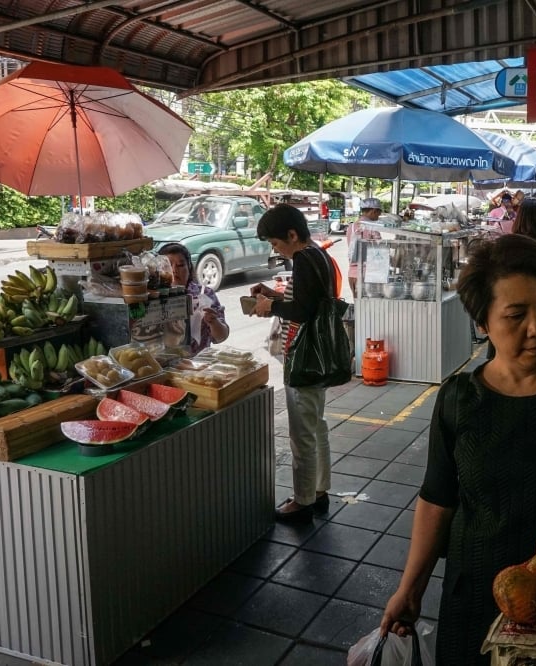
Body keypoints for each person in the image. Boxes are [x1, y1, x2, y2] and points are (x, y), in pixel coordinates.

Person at [380, 234, 536, 664]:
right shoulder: (460, 399)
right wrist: (410, 588)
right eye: (515, 315)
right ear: (482, 323)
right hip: (478, 592)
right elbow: (437, 499)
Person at [248, 204, 337, 523]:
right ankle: (319, 491)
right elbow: (309, 300)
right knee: (317, 426)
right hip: (318, 357)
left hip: (304, 357)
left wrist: (268, 306)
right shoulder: (319, 254)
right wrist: (273, 294)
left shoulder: (303, 258)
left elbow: (302, 311)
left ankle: (303, 502)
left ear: (291, 234)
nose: (276, 249)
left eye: (275, 243)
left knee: (302, 433)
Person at [159, 242, 229, 354]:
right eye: (167, 266)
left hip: (198, 365)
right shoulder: (153, 298)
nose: (174, 270)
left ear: (189, 267)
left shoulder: (205, 294)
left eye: (180, 265)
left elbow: (221, 336)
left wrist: (213, 322)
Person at [346, 198, 382, 297]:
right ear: (374, 211)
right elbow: (380, 249)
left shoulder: (351, 227)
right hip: (368, 275)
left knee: (359, 307)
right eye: (379, 213)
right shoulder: (372, 227)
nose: (379, 216)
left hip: (352, 274)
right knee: (369, 309)